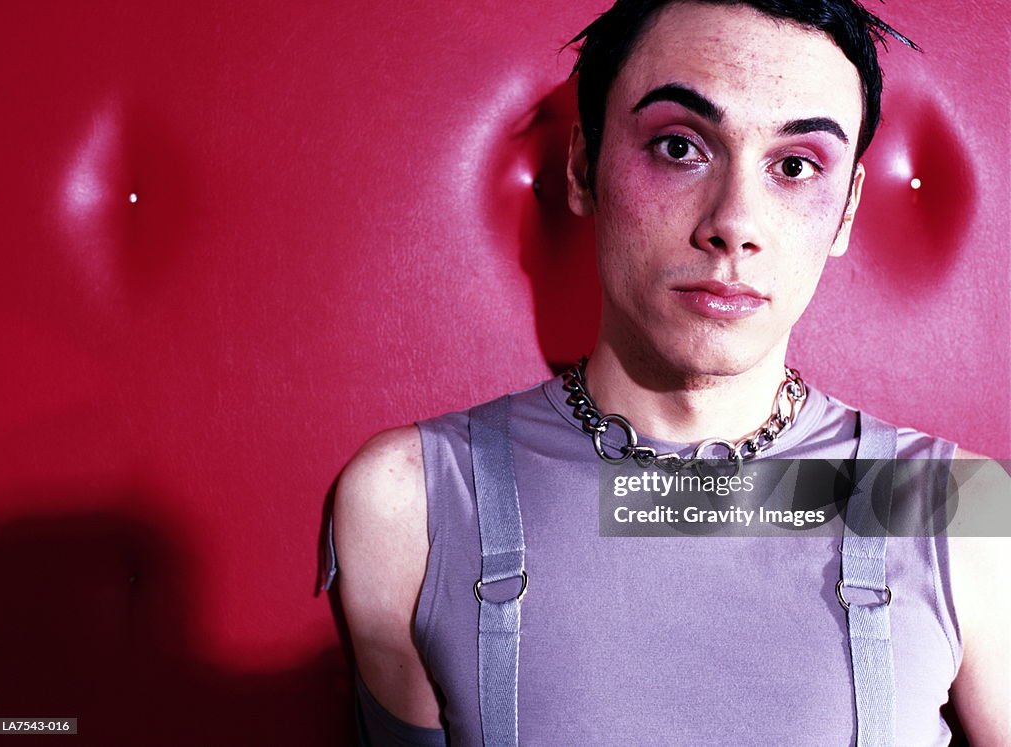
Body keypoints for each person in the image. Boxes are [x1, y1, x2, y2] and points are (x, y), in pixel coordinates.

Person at [328, 0, 1010, 743]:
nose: (735, 223)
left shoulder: (952, 506)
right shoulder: (413, 500)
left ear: (845, 209)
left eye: (794, 165)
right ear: (585, 169)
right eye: (680, 147)